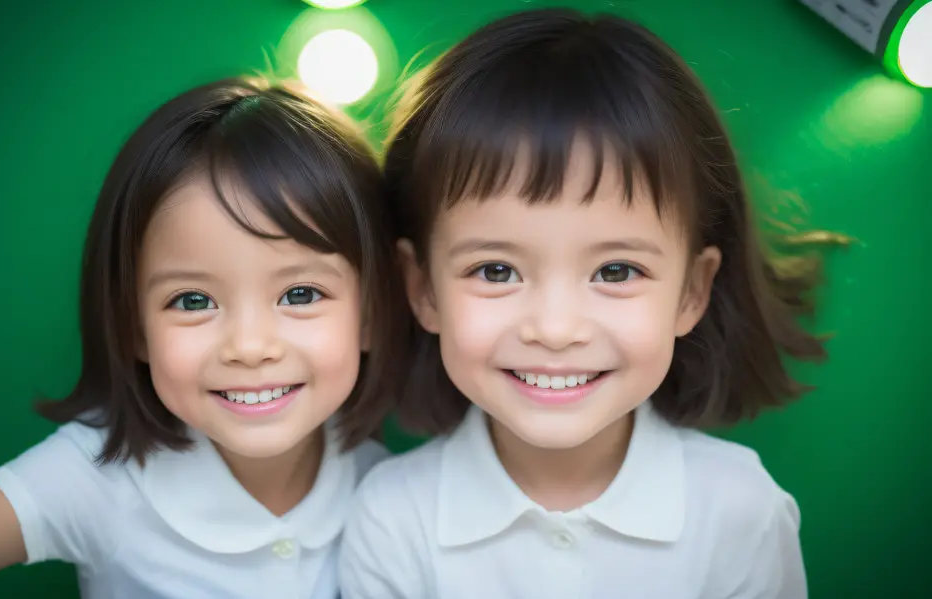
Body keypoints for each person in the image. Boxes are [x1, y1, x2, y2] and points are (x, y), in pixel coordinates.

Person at [0, 77, 408, 599]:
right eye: (193, 301)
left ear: (371, 312)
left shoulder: (381, 483)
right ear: (132, 327)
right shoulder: (93, 476)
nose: (249, 345)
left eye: (301, 294)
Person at [340, 8, 826, 599]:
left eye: (616, 270)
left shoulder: (741, 512)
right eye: (496, 270)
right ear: (421, 288)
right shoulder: (391, 519)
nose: (555, 328)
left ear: (692, 291)